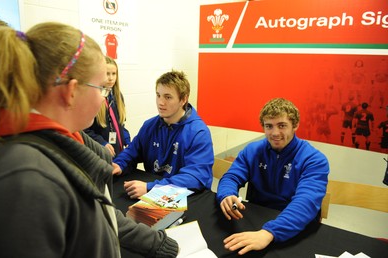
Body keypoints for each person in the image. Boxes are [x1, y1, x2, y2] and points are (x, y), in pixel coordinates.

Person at [0, 22, 178, 258]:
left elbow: (101, 211)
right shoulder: (25, 180)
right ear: (71, 92)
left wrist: (159, 244)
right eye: (100, 88)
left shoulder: (68, 141)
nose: (103, 98)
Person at [216, 98, 329, 254]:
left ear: (295, 126)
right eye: (269, 126)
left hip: (292, 226)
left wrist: (269, 233)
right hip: (256, 219)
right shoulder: (253, 150)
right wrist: (227, 194)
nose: (275, 133)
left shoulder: (314, 160)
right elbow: (231, 177)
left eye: (282, 126)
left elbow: (305, 203)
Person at [113, 70, 214, 199]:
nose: (161, 102)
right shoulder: (150, 125)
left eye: (168, 97)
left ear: (183, 99)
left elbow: (194, 177)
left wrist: (152, 188)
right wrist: (119, 164)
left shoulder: (198, 133)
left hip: (188, 198)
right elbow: (133, 151)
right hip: (155, 193)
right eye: (158, 95)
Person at [84, 56, 131, 158]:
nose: (111, 78)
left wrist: (127, 139)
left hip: (118, 151)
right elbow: (85, 130)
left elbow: (120, 124)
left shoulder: (118, 96)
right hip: (101, 152)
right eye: (107, 74)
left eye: (114, 74)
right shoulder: (93, 97)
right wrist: (102, 142)